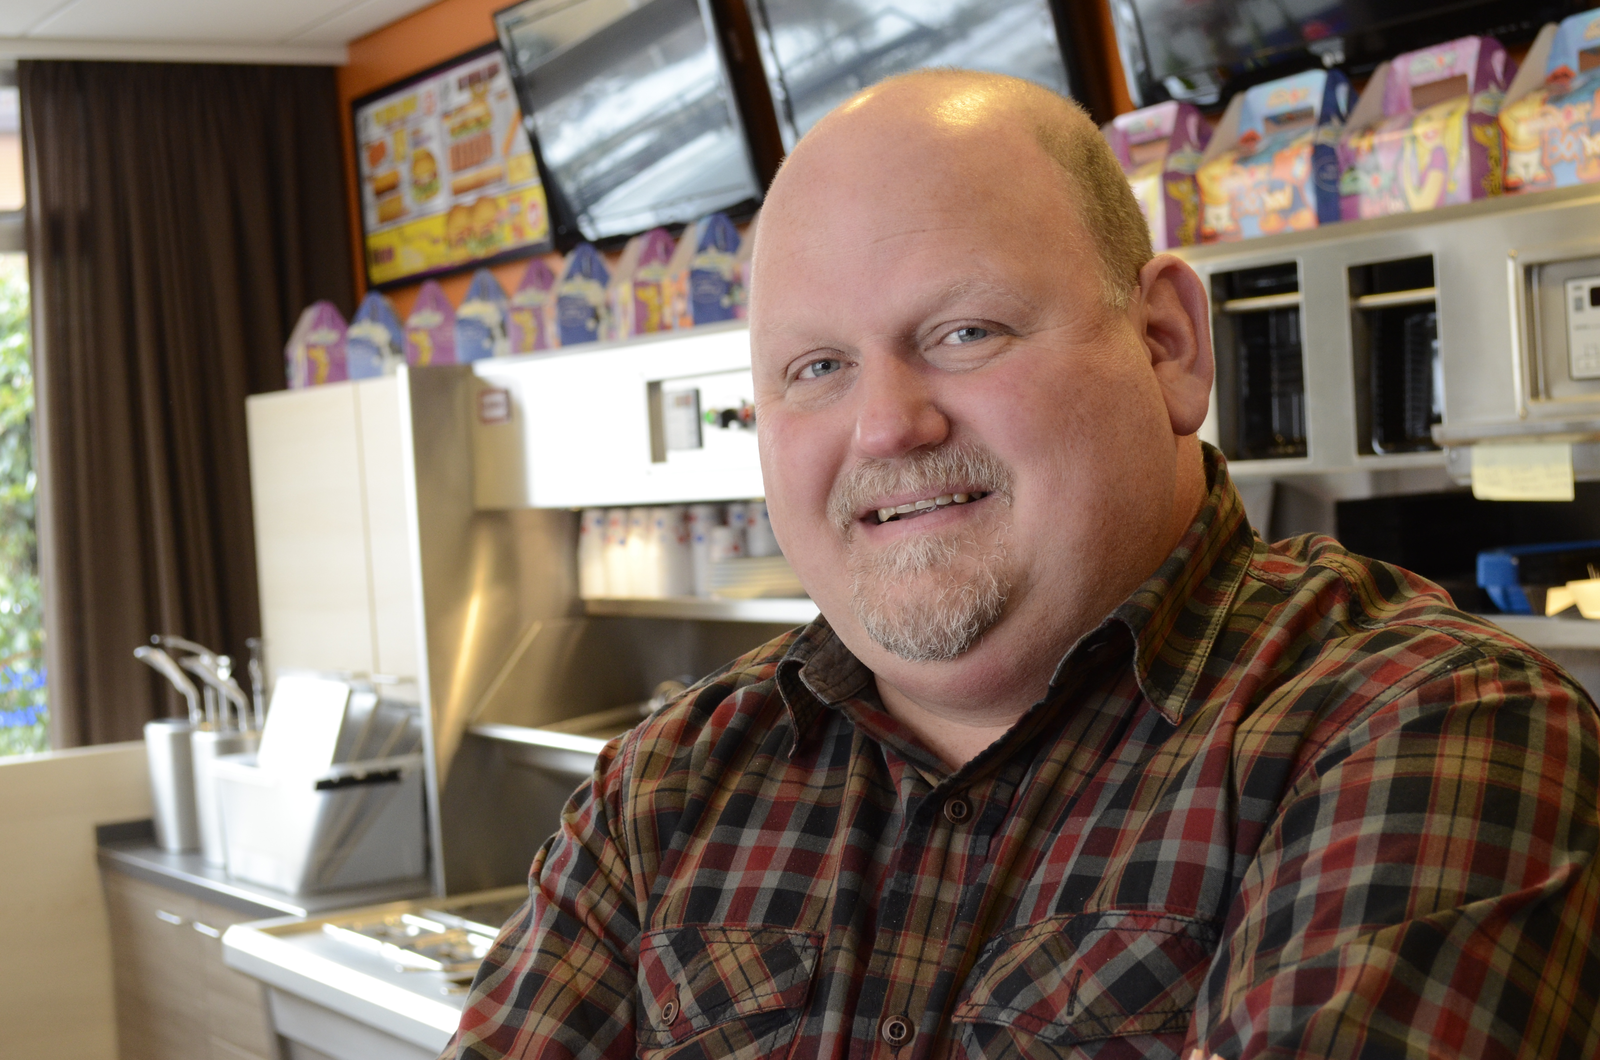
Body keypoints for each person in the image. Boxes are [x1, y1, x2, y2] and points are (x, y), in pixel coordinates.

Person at [445, 71, 1600, 1059]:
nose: (886, 426)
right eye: (815, 368)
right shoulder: (667, 788)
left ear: (1167, 346)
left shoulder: (1423, 724)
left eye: (965, 333)